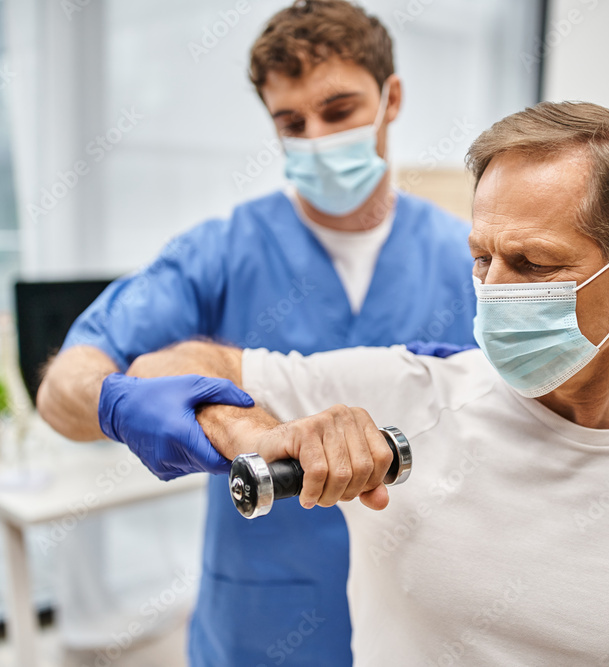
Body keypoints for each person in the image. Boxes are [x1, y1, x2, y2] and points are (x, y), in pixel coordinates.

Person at [124, 101, 609, 666]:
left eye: (532, 263)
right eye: (483, 258)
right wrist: (261, 431)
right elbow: (158, 368)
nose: (493, 293)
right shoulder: (406, 392)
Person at [36, 2, 477, 664]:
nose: (317, 138)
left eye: (339, 110)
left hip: (425, 609)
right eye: (291, 122)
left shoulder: (465, 256)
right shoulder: (222, 251)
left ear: (393, 99)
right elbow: (62, 387)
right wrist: (124, 404)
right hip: (261, 618)